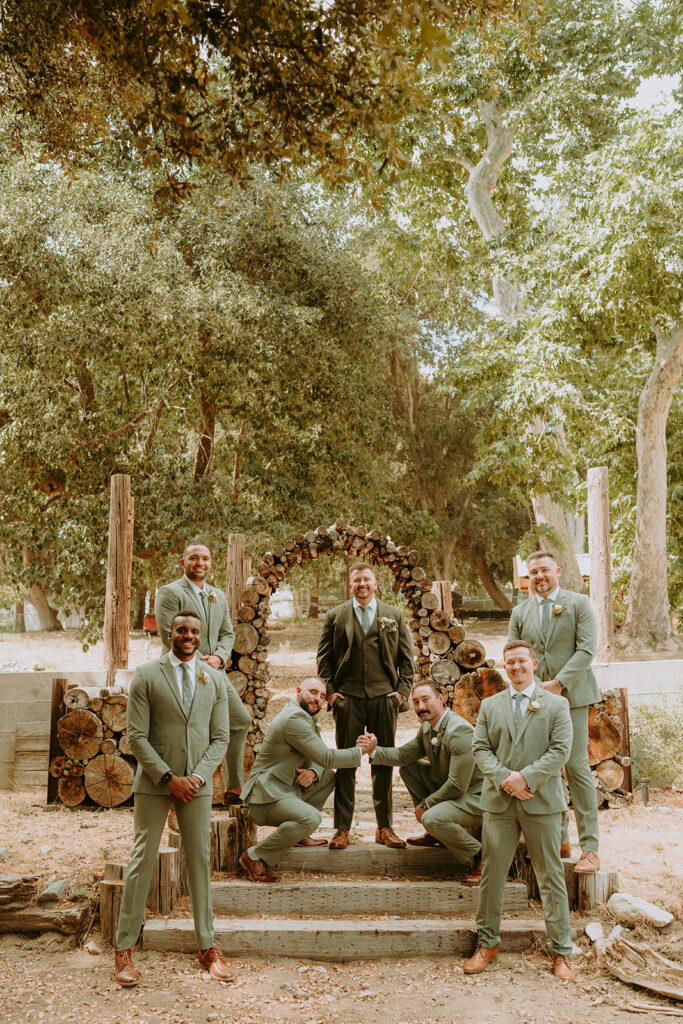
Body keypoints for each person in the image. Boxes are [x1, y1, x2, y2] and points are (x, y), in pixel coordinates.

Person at [114, 611, 232, 987]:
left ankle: (207, 946)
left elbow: (221, 737)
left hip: (197, 785)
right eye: (182, 630)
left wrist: (195, 778)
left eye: (195, 631)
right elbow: (136, 735)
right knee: (141, 860)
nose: (188, 636)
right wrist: (168, 778)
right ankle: (124, 947)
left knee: (200, 859)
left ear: (201, 636)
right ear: (170, 633)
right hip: (154, 782)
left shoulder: (213, 678)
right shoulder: (147, 675)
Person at [465, 640, 574, 981]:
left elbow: (561, 751)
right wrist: (505, 779)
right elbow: (480, 748)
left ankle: (561, 951)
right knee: (492, 875)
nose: (515, 667)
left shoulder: (556, 704)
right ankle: (487, 943)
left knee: (550, 876)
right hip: (499, 803)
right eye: (509, 662)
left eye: (521, 661)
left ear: (534, 663)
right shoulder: (490, 705)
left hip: (541, 802)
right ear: (504, 666)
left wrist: (526, 778)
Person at [508, 550, 601, 873]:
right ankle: (557, 839)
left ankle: (589, 848)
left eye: (544, 570)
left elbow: (587, 648)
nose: (539, 577)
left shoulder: (579, 604)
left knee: (575, 767)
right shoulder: (520, 611)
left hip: (571, 696)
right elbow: (514, 652)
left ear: (557, 571)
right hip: (536, 700)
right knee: (545, 768)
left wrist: (560, 683)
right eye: (533, 572)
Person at [316, 561, 414, 850]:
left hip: (384, 699)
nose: (362, 584)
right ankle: (342, 829)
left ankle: (384, 827)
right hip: (348, 699)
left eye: (367, 579)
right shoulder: (336, 616)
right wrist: (332, 694)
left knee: (382, 761)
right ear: (350, 584)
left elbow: (407, 661)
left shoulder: (393, 616)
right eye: (357, 580)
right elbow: (324, 660)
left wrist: (401, 693)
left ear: (375, 583)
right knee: (346, 762)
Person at [239, 677, 377, 881]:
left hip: (283, 788)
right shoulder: (294, 719)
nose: (318, 699)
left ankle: (298, 834)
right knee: (311, 818)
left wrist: (313, 771)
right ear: (297, 690)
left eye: (322, 696)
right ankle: (254, 856)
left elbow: (319, 757)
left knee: (327, 777)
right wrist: (361, 751)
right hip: (263, 796)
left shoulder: (304, 717)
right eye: (313, 692)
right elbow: (327, 757)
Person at [155, 542, 252, 818]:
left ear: (211, 563)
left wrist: (219, 659)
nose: (200, 563)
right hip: (182, 670)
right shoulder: (170, 593)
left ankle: (233, 788)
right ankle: (176, 803)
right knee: (190, 731)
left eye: (206, 558)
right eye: (194, 558)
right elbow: (168, 635)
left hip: (214, 671)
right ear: (182, 562)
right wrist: (200, 662)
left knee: (240, 720)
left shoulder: (217, 596)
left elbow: (227, 633)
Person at [370, 681, 483, 877]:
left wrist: (426, 804)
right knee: (409, 769)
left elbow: (457, 785)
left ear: (441, 699)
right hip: (454, 790)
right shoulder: (427, 729)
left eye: (425, 700)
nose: (420, 707)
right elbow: (403, 756)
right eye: (415, 702)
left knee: (431, 817)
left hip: (477, 798)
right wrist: (372, 751)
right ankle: (434, 833)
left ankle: (480, 857)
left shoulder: (460, 731)